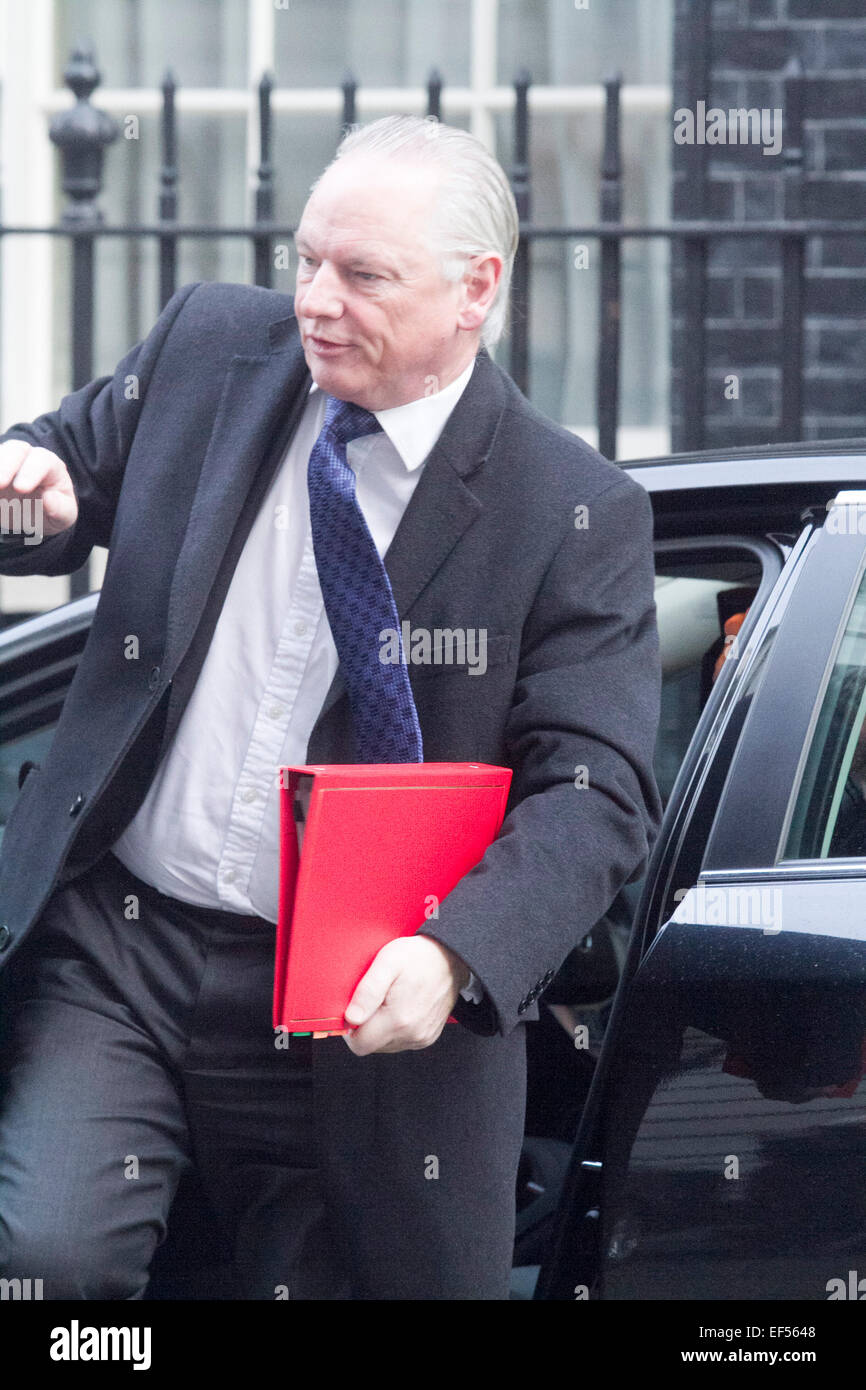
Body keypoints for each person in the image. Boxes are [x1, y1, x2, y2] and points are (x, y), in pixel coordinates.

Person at [0, 115, 662, 1300]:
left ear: (476, 290)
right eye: (305, 259)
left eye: (362, 276)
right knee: (45, 1262)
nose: (315, 299)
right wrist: (26, 490)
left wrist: (456, 952)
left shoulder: (569, 509)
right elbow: (59, 471)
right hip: (121, 951)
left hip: (354, 1008)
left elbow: (596, 790)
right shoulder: (212, 347)